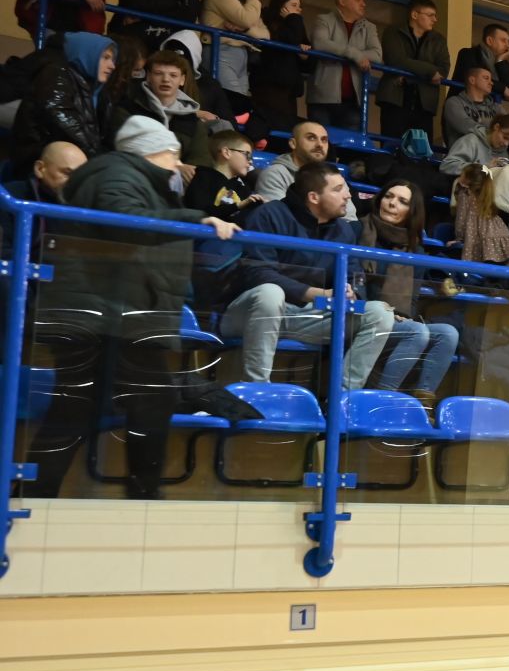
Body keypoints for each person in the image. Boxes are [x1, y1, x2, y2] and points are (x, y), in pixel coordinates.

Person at [22, 118, 238, 501]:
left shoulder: (129, 177)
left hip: (112, 312)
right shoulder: (116, 173)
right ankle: (140, 496)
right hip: (104, 314)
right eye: (173, 155)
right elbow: (126, 223)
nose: (178, 165)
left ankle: (35, 492)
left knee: (80, 407)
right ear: (156, 151)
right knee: (145, 399)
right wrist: (194, 218)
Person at [218, 162, 395, 387]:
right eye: (338, 189)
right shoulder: (268, 214)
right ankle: (258, 388)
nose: (348, 195)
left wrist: (353, 292)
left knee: (379, 313)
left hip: (309, 316)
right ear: (314, 197)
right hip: (252, 313)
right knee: (270, 293)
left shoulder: (343, 230)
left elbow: (355, 274)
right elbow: (257, 273)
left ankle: (342, 397)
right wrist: (316, 293)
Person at [356, 180, 459, 398]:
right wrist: (383, 311)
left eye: (402, 201)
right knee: (416, 331)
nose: (392, 203)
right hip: (362, 313)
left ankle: (423, 403)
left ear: (412, 212)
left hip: (394, 319)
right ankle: (382, 399)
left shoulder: (415, 250)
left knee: (448, 334)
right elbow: (353, 279)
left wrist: (405, 316)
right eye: (388, 196)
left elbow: (411, 299)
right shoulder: (357, 230)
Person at [12, 31, 117, 161]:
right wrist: (98, 160)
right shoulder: (56, 75)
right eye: (105, 58)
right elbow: (65, 126)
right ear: (87, 54)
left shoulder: (94, 88)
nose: (112, 66)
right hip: (41, 159)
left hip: (69, 157)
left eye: (112, 59)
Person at [307, 0, 382, 132]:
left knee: (349, 145)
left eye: (363, 0)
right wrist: (354, 54)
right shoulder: (324, 19)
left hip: (354, 101)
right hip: (323, 98)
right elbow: (320, 43)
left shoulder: (369, 27)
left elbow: (377, 55)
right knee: (320, 141)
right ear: (342, 1)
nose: (363, 3)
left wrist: (339, 51)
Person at [376, 0, 450, 141]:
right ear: (415, 15)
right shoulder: (393, 32)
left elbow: (443, 70)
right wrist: (430, 71)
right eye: (430, 15)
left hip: (424, 106)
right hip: (394, 100)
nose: (435, 19)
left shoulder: (438, 40)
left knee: (421, 150)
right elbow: (396, 60)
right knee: (392, 145)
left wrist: (408, 77)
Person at [197, 0, 265, 113]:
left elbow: (265, 34)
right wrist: (253, 0)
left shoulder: (240, 0)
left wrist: (244, 30)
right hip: (221, 51)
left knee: (241, 106)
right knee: (230, 104)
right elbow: (247, 19)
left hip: (240, 55)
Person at [256, 120, 354, 220]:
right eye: (311, 138)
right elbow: (280, 218)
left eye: (324, 140)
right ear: (293, 143)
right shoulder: (275, 174)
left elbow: (350, 218)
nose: (320, 144)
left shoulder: (333, 176)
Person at [250, 0, 309, 129]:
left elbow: (309, 61)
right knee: (273, 125)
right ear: (281, 6)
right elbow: (290, 39)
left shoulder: (296, 25)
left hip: (290, 88)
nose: (299, 9)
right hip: (270, 84)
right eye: (294, 5)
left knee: (288, 128)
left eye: (299, 6)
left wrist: (305, 55)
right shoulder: (267, 21)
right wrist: (293, 18)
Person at [451, 163, 509, 267]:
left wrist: (458, 238)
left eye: (462, 174)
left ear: (468, 180)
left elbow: (461, 220)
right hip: (502, 237)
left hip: (479, 241)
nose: (459, 176)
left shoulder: (465, 194)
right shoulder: (486, 194)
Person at [183, 131, 260, 222]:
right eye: (247, 155)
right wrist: (237, 206)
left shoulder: (243, 187)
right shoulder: (203, 177)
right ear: (226, 152)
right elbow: (200, 212)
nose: (250, 162)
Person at [452, 22, 509, 103]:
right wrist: (503, 88)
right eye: (503, 41)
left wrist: (500, 61)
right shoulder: (468, 54)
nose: (508, 46)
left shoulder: (503, 63)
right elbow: (474, 78)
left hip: (488, 108)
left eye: (508, 41)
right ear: (489, 41)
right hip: (462, 104)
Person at [441, 63, 501, 144]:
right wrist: (496, 133)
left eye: (491, 79)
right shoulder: (454, 102)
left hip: (491, 150)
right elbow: (466, 126)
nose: (491, 83)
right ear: (472, 80)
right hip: (464, 150)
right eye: (486, 78)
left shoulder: (495, 106)